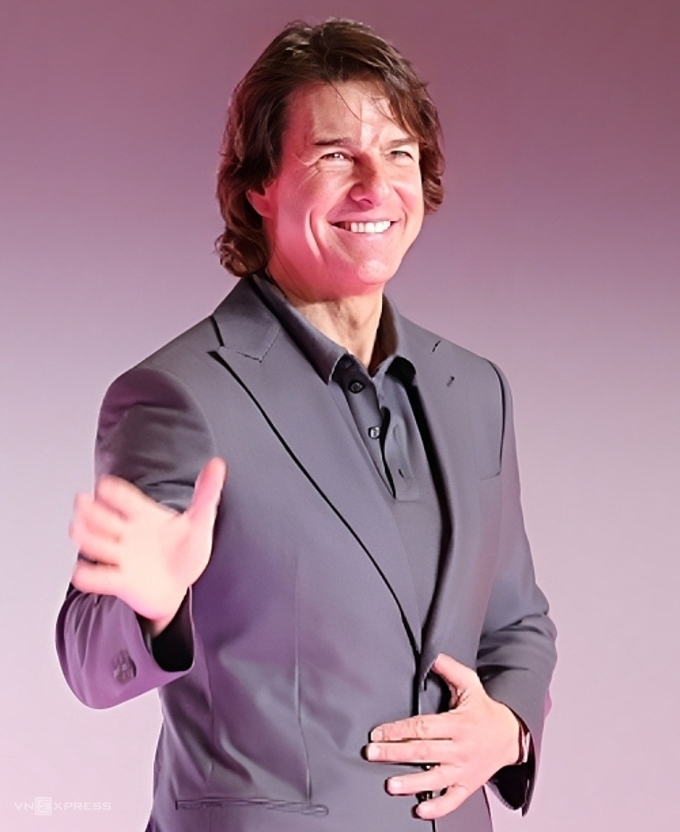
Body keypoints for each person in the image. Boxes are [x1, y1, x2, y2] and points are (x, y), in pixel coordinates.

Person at [56, 19, 556, 832]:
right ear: (260, 185)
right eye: (334, 156)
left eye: (398, 153)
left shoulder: (475, 390)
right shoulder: (179, 395)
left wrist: (509, 727)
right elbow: (86, 655)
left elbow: (518, 621)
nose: (375, 186)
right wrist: (153, 607)